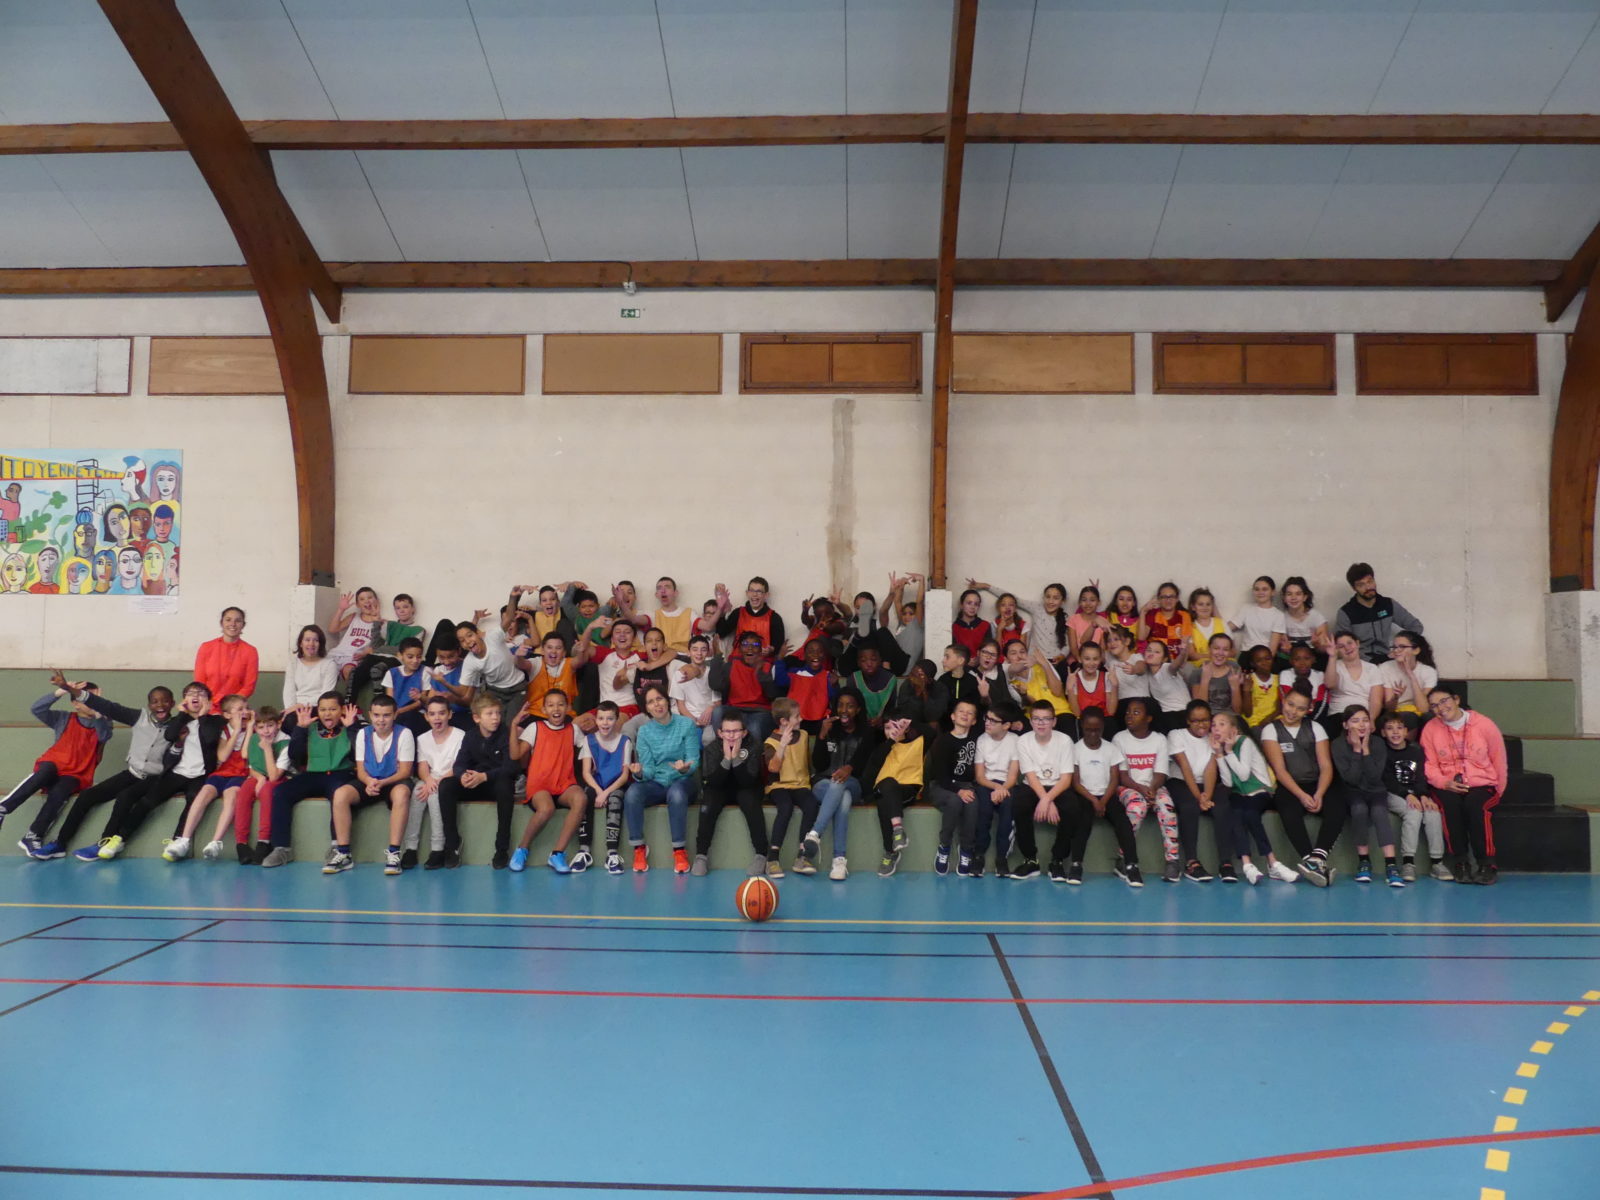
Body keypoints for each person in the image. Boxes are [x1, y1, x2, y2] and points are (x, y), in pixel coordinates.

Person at [1, 674, 113, 858]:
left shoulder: (103, 722)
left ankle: (33, 835)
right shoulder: (63, 718)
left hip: (76, 773)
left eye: (94, 699)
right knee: (44, 771)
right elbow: (37, 709)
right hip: (54, 764)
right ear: (75, 703)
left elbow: (104, 736)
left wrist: (99, 711)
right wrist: (62, 691)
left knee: (61, 793)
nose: (91, 702)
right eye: (86, 698)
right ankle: (3, 808)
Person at [59, 683, 175, 861]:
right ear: (149, 705)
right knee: (87, 796)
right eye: (155, 701)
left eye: (165, 701)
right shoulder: (139, 717)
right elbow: (109, 707)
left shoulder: (177, 726)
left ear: (172, 703)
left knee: (125, 797)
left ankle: (104, 842)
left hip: (155, 778)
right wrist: (74, 691)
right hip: (132, 773)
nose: (160, 705)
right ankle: (60, 843)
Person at [259, 692, 360, 868]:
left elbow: (357, 755)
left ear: (342, 710)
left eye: (332, 709)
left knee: (339, 794)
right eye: (323, 710)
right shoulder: (310, 727)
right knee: (281, 792)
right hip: (313, 774)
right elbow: (295, 757)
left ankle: (337, 847)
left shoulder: (351, 726)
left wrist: (351, 728)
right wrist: (300, 729)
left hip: (341, 774)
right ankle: (282, 848)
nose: (327, 714)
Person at [1421, 686, 1507, 886]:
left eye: (1444, 701)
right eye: (1434, 706)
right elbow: (1429, 765)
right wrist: (1445, 783)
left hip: (1482, 782)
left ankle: (1487, 864)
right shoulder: (1431, 729)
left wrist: (1498, 790)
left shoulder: (1484, 724)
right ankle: (1460, 862)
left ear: (1456, 699)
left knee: (1476, 807)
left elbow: (1499, 758)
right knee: (1450, 806)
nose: (1441, 708)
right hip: (1447, 783)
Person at [1258, 686, 1343, 886]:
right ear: (1283, 701)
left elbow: (1326, 766)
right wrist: (1302, 796)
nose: (1293, 711)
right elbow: (1280, 770)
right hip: (1290, 786)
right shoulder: (1271, 730)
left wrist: (1319, 793)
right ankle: (1309, 859)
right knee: (1288, 809)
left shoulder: (1316, 728)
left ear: (1308, 710)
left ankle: (1318, 858)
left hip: (1316, 783)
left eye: (1300, 708)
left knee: (1338, 805)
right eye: (1290, 704)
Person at [329, 693, 414, 876]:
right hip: (370, 781)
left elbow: (405, 771)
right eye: (376, 715)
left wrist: (382, 783)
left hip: (393, 780)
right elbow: (361, 770)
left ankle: (394, 853)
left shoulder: (404, 734)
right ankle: (344, 853)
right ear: (370, 715)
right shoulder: (362, 734)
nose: (381, 720)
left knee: (402, 793)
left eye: (386, 715)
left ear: (395, 715)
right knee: (340, 794)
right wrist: (368, 782)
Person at [163, 694, 254, 862]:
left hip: (240, 774)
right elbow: (223, 756)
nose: (245, 712)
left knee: (231, 797)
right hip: (222, 773)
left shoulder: (253, 731)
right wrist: (235, 731)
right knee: (203, 794)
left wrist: (249, 729)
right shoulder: (225, 731)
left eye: (247, 708)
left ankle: (215, 842)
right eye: (240, 709)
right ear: (227, 715)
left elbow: (245, 754)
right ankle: (184, 840)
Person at [1208, 710, 1293, 885]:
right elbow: (1228, 782)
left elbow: (1243, 774)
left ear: (1234, 729)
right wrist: (1219, 755)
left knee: (1250, 814)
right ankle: (1247, 865)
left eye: (1222, 724)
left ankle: (1273, 862)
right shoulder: (1220, 748)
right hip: (1240, 793)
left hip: (1260, 791)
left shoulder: (1244, 742)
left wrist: (1229, 751)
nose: (1216, 728)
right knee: (1236, 813)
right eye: (1214, 725)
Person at [801, 690, 878, 881]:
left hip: (854, 784)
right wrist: (821, 736)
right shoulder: (829, 729)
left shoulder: (867, 733)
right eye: (840, 705)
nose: (844, 710)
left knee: (840, 784)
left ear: (858, 710)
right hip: (824, 784)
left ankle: (815, 833)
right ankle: (839, 860)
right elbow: (819, 765)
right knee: (842, 799)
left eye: (850, 706)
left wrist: (849, 768)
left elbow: (864, 763)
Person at [509, 690, 588, 873]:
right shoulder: (535, 727)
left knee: (581, 798)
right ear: (544, 709)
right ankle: (522, 849)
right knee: (546, 808)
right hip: (540, 785)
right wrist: (514, 725)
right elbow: (515, 754)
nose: (556, 709)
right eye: (551, 705)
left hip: (564, 785)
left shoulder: (574, 730)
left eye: (560, 704)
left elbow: (589, 751)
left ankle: (557, 854)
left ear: (568, 708)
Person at [625, 686, 700, 873]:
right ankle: (639, 849)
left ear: (667, 700)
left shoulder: (686, 725)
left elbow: (694, 759)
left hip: (683, 781)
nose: (656, 704)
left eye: (659, 699)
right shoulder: (644, 732)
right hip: (657, 783)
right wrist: (640, 773)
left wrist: (685, 768)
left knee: (676, 793)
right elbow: (649, 769)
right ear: (647, 708)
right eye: (651, 702)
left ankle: (679, 851)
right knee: (633, 792)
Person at [1111, 699, 1181, 882]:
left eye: (1136, 712)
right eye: (1128, 712)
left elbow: (1160, 773)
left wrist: (1152, 789)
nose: (1129, 716)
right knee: (1137, 807)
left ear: (1148, 718)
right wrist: (1141, 789)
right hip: (1128, 787)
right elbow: (1122, 775)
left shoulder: (1159, 739)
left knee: (1167, 807)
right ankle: (1123, 858)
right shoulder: (1120, 738)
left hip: (1154, 786)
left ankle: (1172, 861)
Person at [1165, 700, 1235, 883]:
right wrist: (1199, 798)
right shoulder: (1176, 735)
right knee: (1189, 807)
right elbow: (1185, 767)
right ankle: (1191, 862)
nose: (1201, 724)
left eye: (1205, 720)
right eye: (1195, 721)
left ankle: (1225, 863)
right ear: (1188, 721)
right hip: (1180, 781)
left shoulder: (1212, 737)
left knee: (1223, 807)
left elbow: (1211, 768)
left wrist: (1207, 797)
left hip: (1205, 785)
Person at [1332, 705, 1403, 887]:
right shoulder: (1338, 745)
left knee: (1379, 812)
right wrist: (1357, 750)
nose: (1362, 725)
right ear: (1346, 725)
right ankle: (1364, 861)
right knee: (1359, 810)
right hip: (1353, 791)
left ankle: (1391, 865)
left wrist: (1366, 750)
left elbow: (1374, 777)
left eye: (1365, 720)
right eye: (1355, 721)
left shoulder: (1377, 743)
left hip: (1376, 790)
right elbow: (1352, 778)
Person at [692, 711, 768, 878]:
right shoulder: (712, 748)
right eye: (727, 731)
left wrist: (736, 758)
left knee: (751, 802)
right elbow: (713, 781)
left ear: (744, 732)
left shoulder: (753, 745)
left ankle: (761, 855)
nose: (731, 735)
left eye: (736, 731)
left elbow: (748, 781)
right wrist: (727, 758)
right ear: (720, 733)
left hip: (746, 787)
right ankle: (701, 856)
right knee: (708, 804)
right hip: (720, 787)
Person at [449, 692, 519, 869]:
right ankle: (452, 845)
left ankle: (501, 849)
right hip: (476, 783)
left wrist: (485, 776)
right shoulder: (470, 736)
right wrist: (463, 775)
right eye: (490, 714)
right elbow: (459, 764)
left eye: (498, 713)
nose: (495, 718)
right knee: (446, 786)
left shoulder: (506, 733)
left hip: (495, 784)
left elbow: (511, 767)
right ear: (477, 718)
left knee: (505, 785)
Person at [1380, 711, 1450, 882]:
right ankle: (1408, 863)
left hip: (1416, 792)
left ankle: (1437, 862)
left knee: (1432, 813)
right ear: (1383, 733)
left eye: (1399, 728)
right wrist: (1407, 795)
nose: (1395, 732)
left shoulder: (1416, 750)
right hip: (1393, 793)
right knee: (1413, 812)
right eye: (1390, 728)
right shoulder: (1382, 751)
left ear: (1406, 731)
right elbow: (1388, 780)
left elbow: (1420, 776)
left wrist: (1424, 795)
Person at [1011, 698, 1076, 880]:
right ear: (1031, 721)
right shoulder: (1023, 741)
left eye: (1046, 719)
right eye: (1036, 719)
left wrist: (1048, 800)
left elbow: (1066, 779)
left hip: (1058, 786)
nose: (1041, 723)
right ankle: (1031, 860)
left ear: (1054, 721)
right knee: (1019, 805)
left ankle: (1057, 861)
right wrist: (1045, 799)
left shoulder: (1065, 741)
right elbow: (1030, 776)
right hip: (1033, 785)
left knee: (1072, 808)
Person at [1065, 708, 1131, 885]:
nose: (1093, 734)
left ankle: (1131, 865)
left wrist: (1103, 801)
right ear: (1082, 726)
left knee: (1123, 822)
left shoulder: (1111, 749)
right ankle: (1076, 865)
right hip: (1085, 795)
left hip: (1107, 795)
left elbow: (1114, 779)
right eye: (1089, 730)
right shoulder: (1075, 749)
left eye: (1097, 730)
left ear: (1103, 728)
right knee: (1082, 822)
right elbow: (1075, 782)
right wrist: (1094, 800)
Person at [760, 698, 818, 876]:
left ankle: (802, 856)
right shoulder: (771, 742)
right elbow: (773, 768)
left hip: (801, 784)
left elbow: (807, 762)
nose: (801, 719)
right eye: (797, 716)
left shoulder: (804, 735)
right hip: (779, 786)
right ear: (784, 721)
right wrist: (783, 745)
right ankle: (773, 858)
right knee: (785, 808)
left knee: (811, 805)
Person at [404, 697, 463, 869]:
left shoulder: (460, 736)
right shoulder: (422, 738)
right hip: (430, 778)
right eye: (432, 714)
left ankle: (438, 848)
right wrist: (429, 780)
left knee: (434, 795)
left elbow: (458, 766)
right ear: (426, 717)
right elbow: (422, 766)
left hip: (450, 779)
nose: (437, 718)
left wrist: (435, 783)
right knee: (417, 792)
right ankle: (410, 848)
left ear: (449, 714)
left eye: (441, 713)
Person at [863, 714, 926, 876]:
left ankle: (890, 851)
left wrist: (910, 722)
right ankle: (898, 831)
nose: (891, 731)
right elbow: (874, 766)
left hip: (907, 789)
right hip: (883, 788)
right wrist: (891, 741)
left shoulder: (918, 743)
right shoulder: (883, 747)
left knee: (885, 798)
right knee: (887, 785)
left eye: (896, 727)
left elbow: (931, 732)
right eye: (887, 728)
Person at [927, 697, 981, 876]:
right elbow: (941, 776)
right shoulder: (943, 741)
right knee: (955, 801)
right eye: (961, 711)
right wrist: (959, 790)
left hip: (966, 785)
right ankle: (944, 846)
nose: (965, 715)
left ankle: (966, 849)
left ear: (974, 720)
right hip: (942, 785)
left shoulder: (977, 738)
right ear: (952, 716)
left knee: (972, 803)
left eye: (970, 713)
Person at [577, 700, 632, 874]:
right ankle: (584, 851)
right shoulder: (589, 740)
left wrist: (606, 793)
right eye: (601, 718)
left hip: (616, 784)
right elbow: (586, 773)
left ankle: (612, 853)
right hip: (597, 784)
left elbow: (624, 776)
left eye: (610, 718)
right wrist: (599, 792)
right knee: (585, 797)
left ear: (616, 720)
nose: (605, 723)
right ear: (596, 720)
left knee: (615, 799)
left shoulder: (625, 741)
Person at [967, 702, 1021, 877]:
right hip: (987, 783)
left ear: (1006, 725)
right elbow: (980, 776)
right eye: (987, 718)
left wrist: (1002, 789)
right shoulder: (982, 740)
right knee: (983, 810)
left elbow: (1012, 776)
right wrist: (996, 788)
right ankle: (978, 855)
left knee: (1008, 809)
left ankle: (1001, 858)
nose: (987, 723)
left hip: (1008, 784)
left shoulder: (1015, 741)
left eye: (993, 720)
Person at [233, 704, 290, 865]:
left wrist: (267, 749)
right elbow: (252, 768)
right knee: (244, 791)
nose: (266, 731)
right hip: (261, 777)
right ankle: (241, 844)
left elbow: (274, 776)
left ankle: (264, 841)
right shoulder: (254, 739)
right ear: (255, 728)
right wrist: (260, 779)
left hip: (279, 778)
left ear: (278, 724)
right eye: (261, 727)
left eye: (270, 726)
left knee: (267, 791)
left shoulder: (286, 742)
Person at [1336, 563, 1424, 665]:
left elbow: (1416, 626)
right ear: (1354, 588)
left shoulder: (1388, 604)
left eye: (1370, 581)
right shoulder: (1346, 612)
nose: (1368, 587)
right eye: (1361, 585)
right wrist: (1368, 661)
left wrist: (1401, 647)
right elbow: (1341, 645)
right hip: (1360, 661)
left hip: (1387, 658)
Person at [457, 608, 529, 723]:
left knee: (510, 724)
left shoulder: (494, 636)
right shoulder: (470, 660)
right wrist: (444, 684)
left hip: (517, 687)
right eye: (462, 641)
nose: (467, 641)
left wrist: (513, 598)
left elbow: (509, 618)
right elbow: (463, 690)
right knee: (492, 722)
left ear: (478, 633)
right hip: (495, 691)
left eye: (470, 635)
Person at [709, 631, 781, 744]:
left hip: (760, 711)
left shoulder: (768, 667)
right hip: (735, 709)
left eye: (755, 645)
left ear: (761, 650)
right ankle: (724, 748)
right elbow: (716, 685)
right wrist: (717, 656)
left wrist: (761, 674)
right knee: (718, 712)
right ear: (740, 649)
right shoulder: (732, 665)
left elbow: (772, 694)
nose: (750, 648)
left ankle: (752, 755)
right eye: (745, 644)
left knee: (753, 728)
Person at [193, 606, 259, 714]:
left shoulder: (250, 651)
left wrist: (230, 704)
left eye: (238, 621)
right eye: (228, 620)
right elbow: (199, 682)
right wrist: (210, 702)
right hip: (206, 707)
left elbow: (248, 686)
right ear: (221, 623)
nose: (233, 624)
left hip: (234, 710)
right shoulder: (206, 647)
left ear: (243, 625)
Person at [1325, 631, 1385, 733]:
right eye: (1341, 646)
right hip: (1340, 714)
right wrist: (1332, 657)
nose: (1347, 648)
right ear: (1337, 649)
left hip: (1364, 715)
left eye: (1350, 643)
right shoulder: (1335, 666)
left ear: (1357, 643)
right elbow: (1329, 684)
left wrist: (1371, 719)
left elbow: (1376, 700)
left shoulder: (1372, 668)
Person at [328, 588, 384, 695]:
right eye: (362, 599)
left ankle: (350, 701)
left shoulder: (381, 623)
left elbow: (379, 646)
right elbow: (332, 629)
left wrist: (367, 652)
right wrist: (341, 609)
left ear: (377, 601)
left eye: (370, 597)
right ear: (358, 605)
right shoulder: (354, 617)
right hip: (337, 653)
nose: (367, 601)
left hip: (353, 657)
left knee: (349, 670)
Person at [282, 625, 338, 728]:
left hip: (319, 707)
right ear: (301, 643)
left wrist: (302, 706)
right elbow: (289, 691)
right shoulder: (293, 663)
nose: (311, 644)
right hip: (295, 707)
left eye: (315, 640)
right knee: (286, 721)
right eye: (307, 640)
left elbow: (326, 695)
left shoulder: (330, 664)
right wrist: (291, 708)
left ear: (320, 644)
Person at [669, 633, 720, 745]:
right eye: (695, 649)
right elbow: (680, 704)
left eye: (703, 650)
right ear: (689, 652)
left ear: (708, 652)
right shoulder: (680, 674)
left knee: (708, 738)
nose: (699, 653)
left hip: (709, 719)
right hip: (689, 717)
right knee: (688, 738)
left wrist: (711, 708)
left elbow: (718, 701)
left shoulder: (712, 673)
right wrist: (693, 720)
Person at [715, 577, 785, 656]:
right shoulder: (738, 613)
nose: (754, 594)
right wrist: (721, 609)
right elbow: (721, 633)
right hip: (738, 660)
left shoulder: (774, 618)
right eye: (751, 590)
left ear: (766, 595)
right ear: (747, 593)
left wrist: (771, 650)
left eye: (759, 591)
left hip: (762, 661)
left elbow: (779, 646)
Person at [1381, 630, 1438, 717]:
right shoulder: (1385, 668)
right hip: (1396, 713)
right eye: (1394, 647)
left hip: (1418, 711)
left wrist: (1411, 676)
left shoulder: (1429, 672)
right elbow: (1389, 709)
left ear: (1416, 650)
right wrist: (1395, 697)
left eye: (1402, 647)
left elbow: (1423, 709)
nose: (1396, 650)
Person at [1229, 577, 1286, 660]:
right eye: (1257, 589)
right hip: (1247, 654)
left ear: (1273, 592)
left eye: (1264, 589)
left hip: (1265, 656)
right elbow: (1227, 628)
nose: (1260, 592)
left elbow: (1273, 649)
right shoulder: (1246, 609)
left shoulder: (1278, 615)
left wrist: (1266, 661)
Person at [1141, 640, 1190, 734]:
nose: (1151, 653)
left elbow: (1175, 666)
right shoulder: (1147, 673)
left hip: (1182, 713)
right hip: (1165, 716)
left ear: (1164, 659)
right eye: (1149, 650)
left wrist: (1182, 653)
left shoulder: (1166, 668)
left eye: (1157, 652)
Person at [382, 638, 430, 735]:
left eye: (419, 657)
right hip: (396, 712)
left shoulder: (426, 671)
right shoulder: (392, 673)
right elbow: (390, 700)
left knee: (408, 719)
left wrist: (400, 711)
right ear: (400, 656)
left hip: (416, 714)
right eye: (410, 657)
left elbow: (420, 702)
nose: (415, 660)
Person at [880, 572, 926, 672]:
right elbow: (897, 602)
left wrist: (921, 580)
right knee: (879, 634)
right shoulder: (901, 625)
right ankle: (885, 668)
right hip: (897, 664)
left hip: (906, 665)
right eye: (904, 614)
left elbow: (919, 602)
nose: (907, 616)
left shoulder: (917, 624)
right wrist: (900, 588)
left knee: (883, 631)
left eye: (911, 613)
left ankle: (885, 669)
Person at [1280, 576, 1331, 663]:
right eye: (1289, 594)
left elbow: (1324, 650)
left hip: (1314, 659)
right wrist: (1285, 651)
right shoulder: (1280, 619)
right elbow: (1282, 649)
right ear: (1284, 598)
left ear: (1305, 597)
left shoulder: (1317, 618)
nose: (1293, 597)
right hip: (1291, 659)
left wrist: (1317, 645)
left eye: (1298, 594)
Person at [1067, 641, 1117, 725]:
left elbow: (1111, 712)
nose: (1091, 663)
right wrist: (1070, 689)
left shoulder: (1106, 677)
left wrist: (1115, 686)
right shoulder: (1073, 679)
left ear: (1100, 659)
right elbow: (1077, 713)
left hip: (1103, 722)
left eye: (1095, 659)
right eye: (1087, 659)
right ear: (1080, 659)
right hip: (1084, 723)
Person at [1192, 631, 1242, 714]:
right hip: (1208, 717)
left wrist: (1235, 687)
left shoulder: (1234, 669)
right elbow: (1200, 710)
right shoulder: (1198, 673)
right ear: (1209, 649)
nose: (1220, 653)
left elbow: (1238, 711)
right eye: (1216, 648)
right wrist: (1205, 680)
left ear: (1230, 652)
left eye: (1225, 649)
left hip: (1230, 717)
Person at [1278, 643, 1328, 722]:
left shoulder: (1320, 675)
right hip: (1292, 717)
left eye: (1307, 658)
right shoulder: (1285, 675)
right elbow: (1287, 702)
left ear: (1313, 659)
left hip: (1316, 719)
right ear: (1291, 661)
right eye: (1297, 659)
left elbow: (1322, 703)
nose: (1302, 663)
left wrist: (1310, 722)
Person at [1140, 581, 1192, 653]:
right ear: (1159, 599)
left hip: (1176, 657)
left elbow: (1184, 644)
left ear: (1177, 599)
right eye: (1164, 597)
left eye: (1172, 597)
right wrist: (1143, 611)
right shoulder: (1152, 614)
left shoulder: (1184, 616)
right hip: (1155, 657)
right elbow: (1141, 637)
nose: (1168, 600)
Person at [648, 576, 694, 653]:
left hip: (684, 656)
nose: (663, 591)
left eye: (667, 587)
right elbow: (634, 619)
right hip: (661, 656)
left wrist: (718, 606)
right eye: (659, 588)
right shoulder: (652, 615)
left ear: (676, 593)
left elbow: (707, 626)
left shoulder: (689, 613)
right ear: (656, 594)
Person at [1066, 584, 1110, 664]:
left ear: (1098, 602)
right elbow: (1073, 648)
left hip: (1095, 663)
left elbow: (1102, 648)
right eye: (1084, 600)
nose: (1088, 603)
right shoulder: (1073, 619)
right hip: (1076, 661)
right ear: (1079, 602)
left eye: (1092, 600)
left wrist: (1095, 662)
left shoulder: (1102, 621)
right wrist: (1081, 661)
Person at [1241, 645, 1282, 728]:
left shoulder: (1279, 679)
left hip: (1274, 720)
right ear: (1252, 663)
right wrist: (1246, 691)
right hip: (1254, 723)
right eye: (1259, 660)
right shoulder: (1248, 680)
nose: (1264, 663)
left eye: (1267, 659)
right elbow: (1247, 713)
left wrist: (1269, 719)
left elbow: (1280, 707)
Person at [1186, 588, 1228, 666]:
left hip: (1224, 664)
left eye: (1208, 604)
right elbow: (1192, 655)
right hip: (1201, 665)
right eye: (1200, 604)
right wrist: (1216, 656)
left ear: (1212, 606)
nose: (1205, 607)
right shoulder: (1189, 627)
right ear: (1193, 607)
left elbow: (1233, 651)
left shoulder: (1221, 623)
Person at [952, 588, 993, 657]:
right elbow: (954, 653)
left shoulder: (985, 625)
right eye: (969, 603)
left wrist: (978, 659)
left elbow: (989, 650)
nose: (973, 607)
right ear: (961, 605)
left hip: (981, 662)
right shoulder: (954, 627)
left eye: (976, 604)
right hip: (961, 662)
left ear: (979, 607)